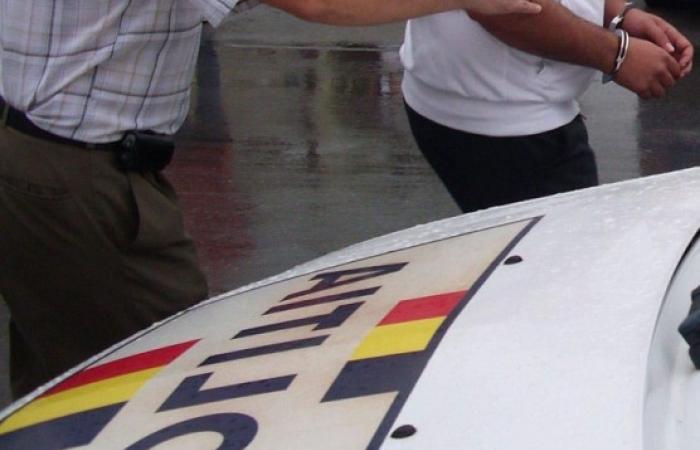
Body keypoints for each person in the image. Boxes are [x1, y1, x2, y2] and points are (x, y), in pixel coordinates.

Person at [0, 0, 545, 399]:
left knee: (60, 366)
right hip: (79, 173)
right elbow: (320, 5)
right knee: (161, 371)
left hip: (33, 152)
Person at [400, 0, 693, 213]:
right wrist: (617, 54)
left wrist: (616, 13)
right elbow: (502, 8)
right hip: (502, 124)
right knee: (561, 263)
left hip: (496, 100)